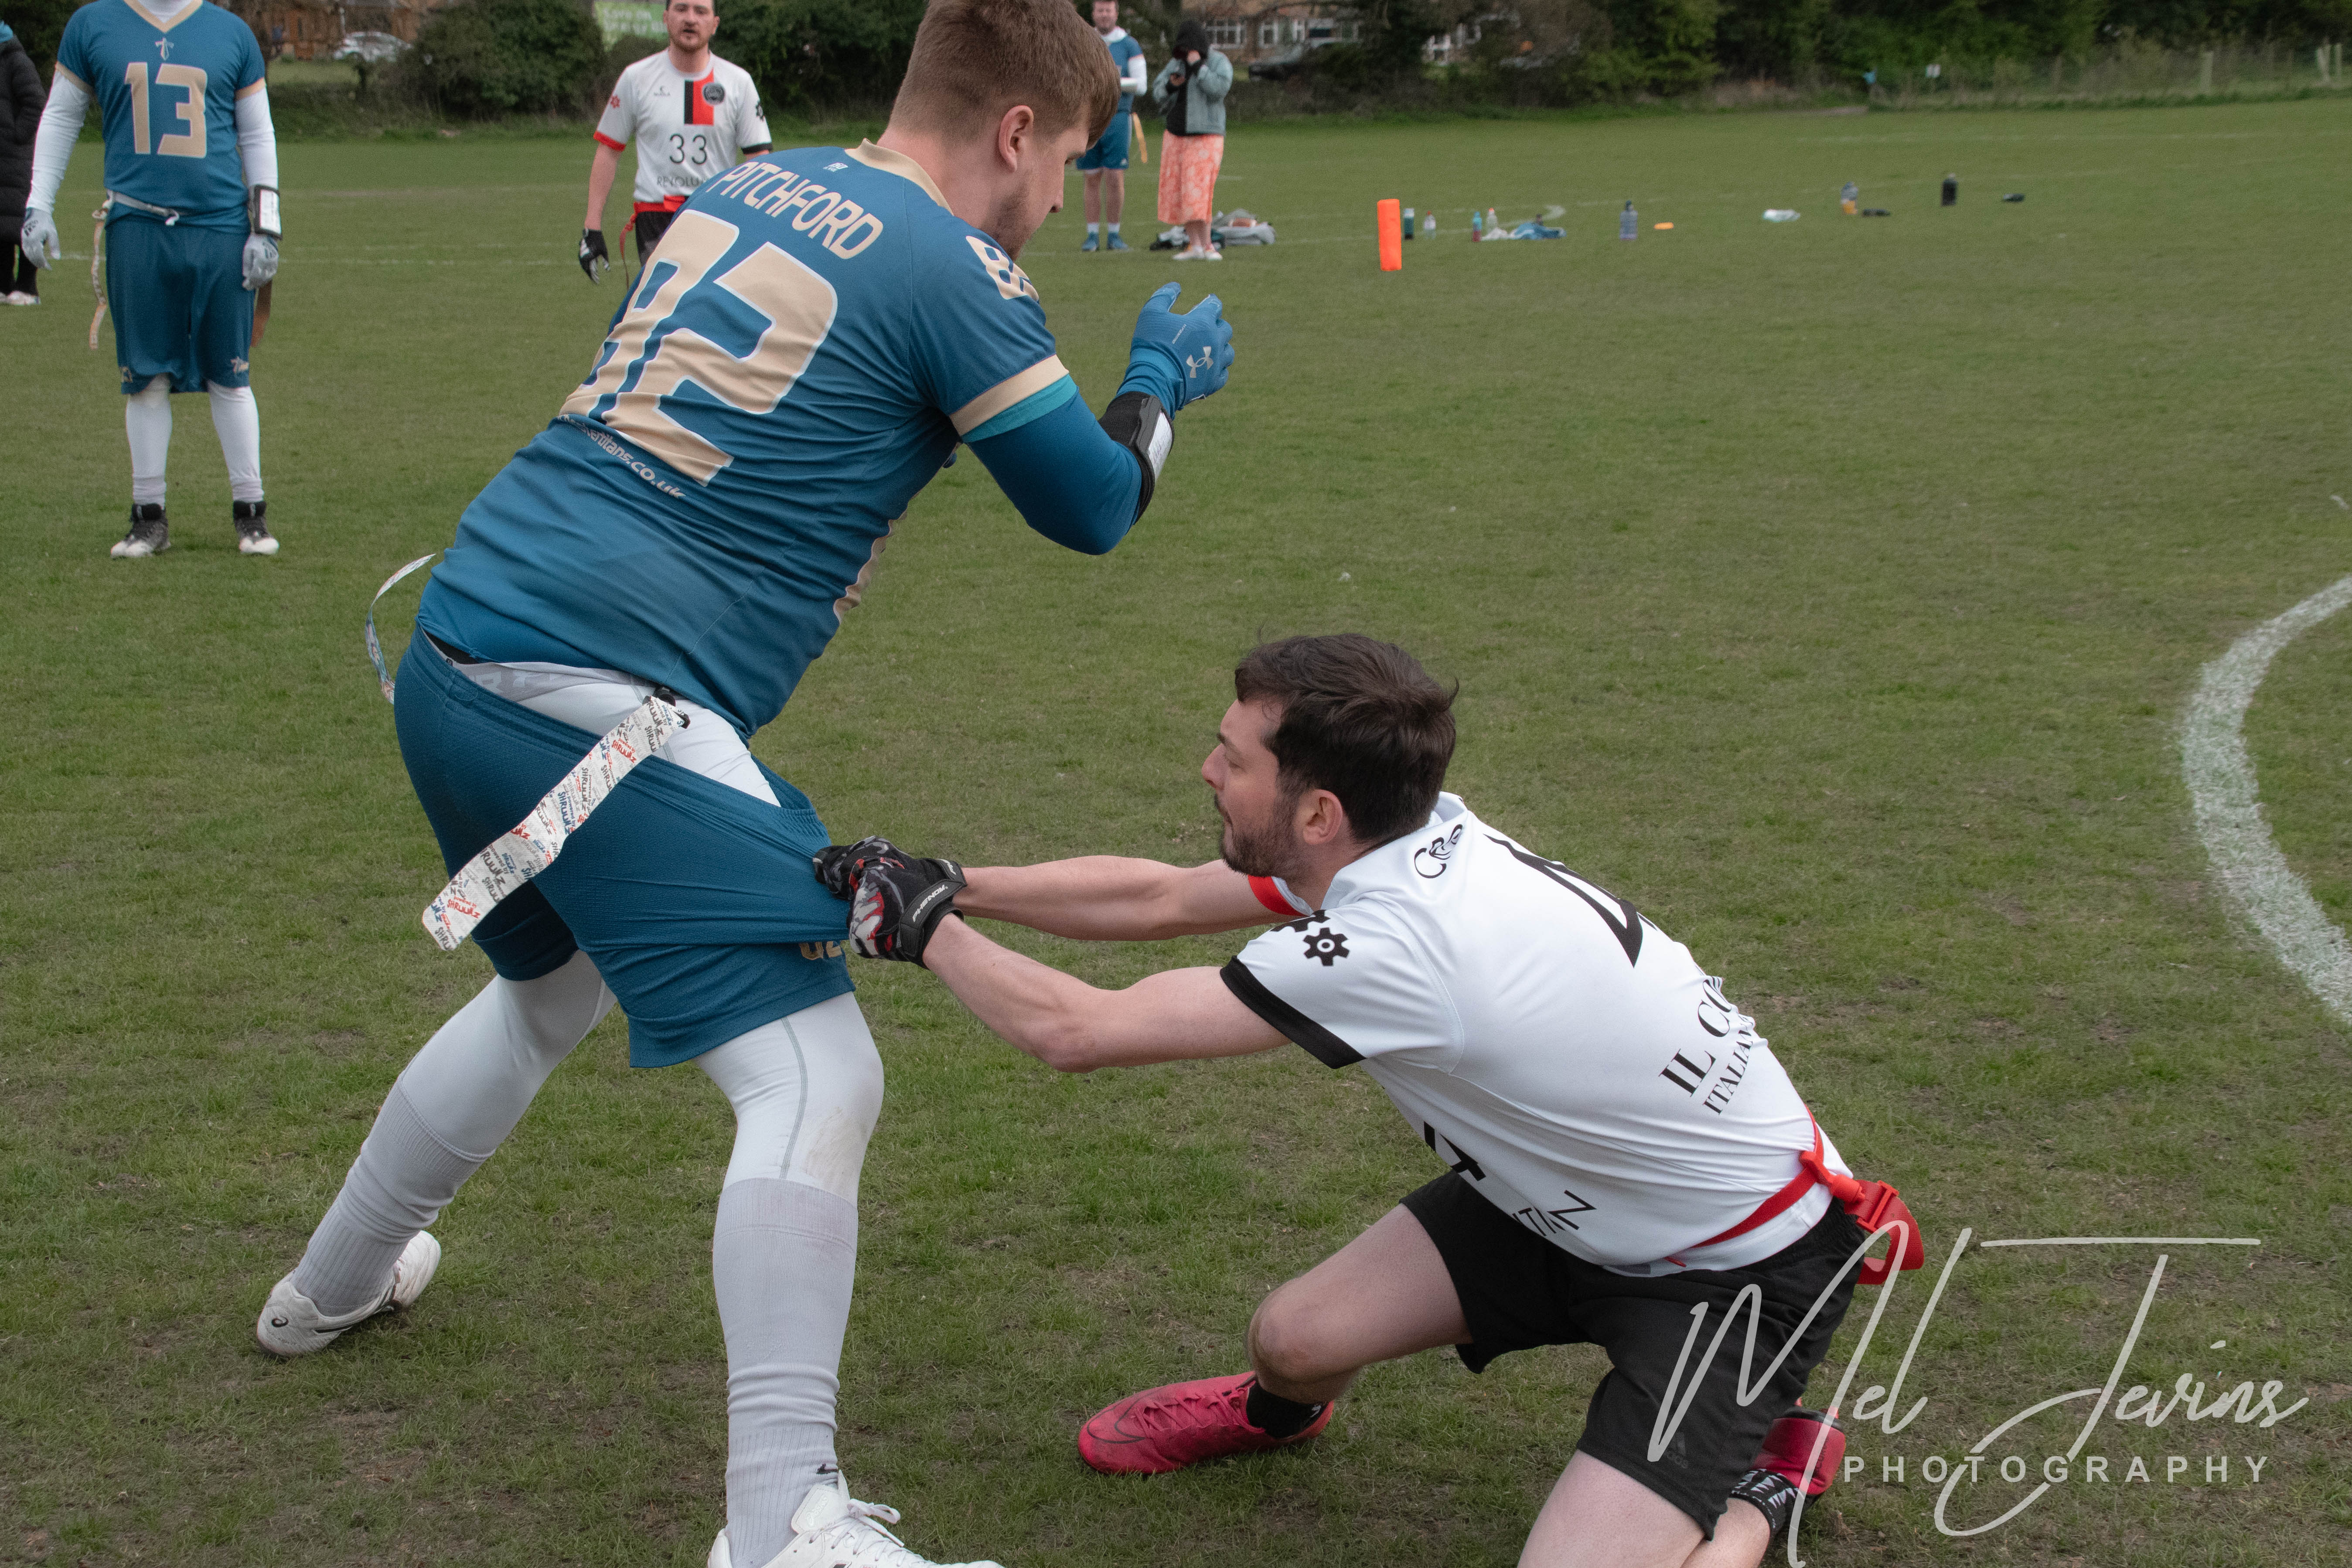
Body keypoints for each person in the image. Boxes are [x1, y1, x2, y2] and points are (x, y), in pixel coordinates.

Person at [252, 1, 1234, 1566]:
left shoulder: (756, 181)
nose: (1057, 198)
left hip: (461, 643)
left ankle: (330, 1284)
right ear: (1011, 132)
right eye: (1062, 159)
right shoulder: (955, 267)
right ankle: (781, 1524)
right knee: (816, 1076)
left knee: (545, 991)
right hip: (598, 700)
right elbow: (1093, 504)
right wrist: (1160, 381)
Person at [815, 634, 1927, 1568]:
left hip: (1742, 1272)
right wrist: (949, 880)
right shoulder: (1410, 834)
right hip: (1571, 1198)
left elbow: (1078, 1032)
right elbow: (1159, 897)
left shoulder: (1399, 947)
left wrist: (921, 927)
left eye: (1233, 756)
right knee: (1293, 1339)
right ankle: (1281, 1414)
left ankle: (1762, 1488)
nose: (1208, 769)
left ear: (1317, 811)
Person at [19, 0, 282, 557]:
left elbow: (257, 133)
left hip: (219, 225)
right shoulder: (93, 24)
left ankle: (251, 514)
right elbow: (62, 115)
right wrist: (38, 204)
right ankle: (148, 517)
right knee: (145, 377)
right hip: (137, 222)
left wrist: (267, 227)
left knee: (230, 373)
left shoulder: (231, 33)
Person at [580, 0, 770, 281]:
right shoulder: (636, 78)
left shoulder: (738, 83)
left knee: (706, 304)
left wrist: (763, 226)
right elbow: (609, 150)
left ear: (715, 24)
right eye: (681, 9)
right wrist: (592, 226)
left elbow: (759, 161)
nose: (690, 19)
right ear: (666, 18)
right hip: (656, 217)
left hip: (717, 216)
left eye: (700, 11)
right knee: (662, 301)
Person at [1149, 18, 1229, 262]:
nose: (1186, 53)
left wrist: (1198, 68)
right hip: (1175, 136)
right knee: (1181, 194)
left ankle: (1208, 247)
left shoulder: (1218, 61)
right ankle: (1194, 246)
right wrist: (1171, 86)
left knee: (1199, 193)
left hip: (1206, 136)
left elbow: (1219, 89)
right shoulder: (1176, 63)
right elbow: (1157, 92)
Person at [1074, 0, 1144, 252]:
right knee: (1092, 177)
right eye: (1100, 10)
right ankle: (1092, 236)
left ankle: (1114, 235)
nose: (1104, 15)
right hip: (1089, 119)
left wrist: (1109, 82)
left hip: (1118, 118)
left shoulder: (1129, 44)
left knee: (1114, 177)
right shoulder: (1084, 42)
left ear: (1116, 13)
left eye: (1108, 10)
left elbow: (1141, 85)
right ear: (1094, 14)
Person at [1, 22, 42, 306]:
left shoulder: (17, 60)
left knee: (24, 222)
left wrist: (17, 137)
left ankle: (28, 288)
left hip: (16, 157)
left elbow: (36, 103)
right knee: (2, 223)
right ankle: (4, 286)